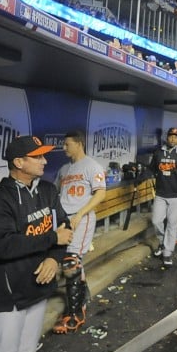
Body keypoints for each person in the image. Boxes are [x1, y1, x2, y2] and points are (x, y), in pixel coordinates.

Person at [0, 136, 73, 352]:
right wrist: (52, 238)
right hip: (7, 294)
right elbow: (5, 246)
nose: (45, 161)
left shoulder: (47, 190)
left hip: (38, 284)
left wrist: (54, 258)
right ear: (19, 162)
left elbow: (64, 228)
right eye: (38, 157)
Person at [53, 130, 106, 334]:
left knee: (71, 261)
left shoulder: (91, 166)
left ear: (79, 144)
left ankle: (75, 313)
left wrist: (80, 214)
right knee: (70, 260)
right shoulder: (64, 169)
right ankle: (82, 296)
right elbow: (57, 194)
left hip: (81, 217)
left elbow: (100, 193)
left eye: (67, 144)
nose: (64, 147)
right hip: (64, 219)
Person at [149, 126, 177, 267]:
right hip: (161, 194)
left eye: (176, 136)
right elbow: (152, 169)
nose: (173, 138)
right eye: (171, 136)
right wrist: (140, 177)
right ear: (167, 138)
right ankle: (163, 242)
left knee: (172, 225)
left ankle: (168, 253)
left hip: (176, 195)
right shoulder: (159, 152)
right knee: (156, 221)